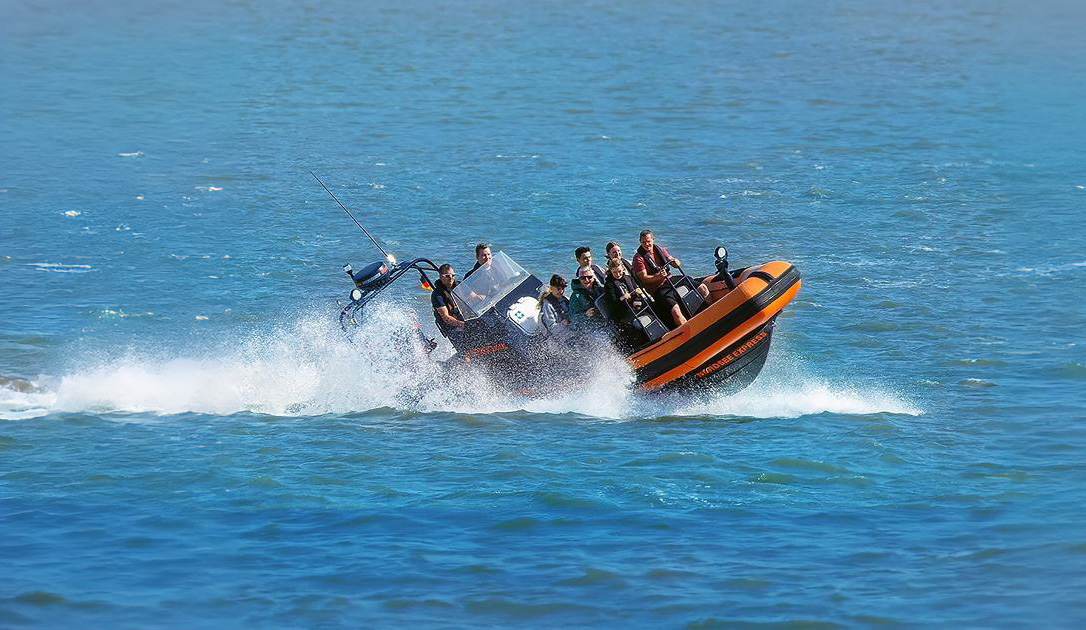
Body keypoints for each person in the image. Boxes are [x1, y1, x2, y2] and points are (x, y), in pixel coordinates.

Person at [631, 229, 707, 327]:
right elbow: (644, 278)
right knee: (675, 310)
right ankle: (689, 331)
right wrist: (657, 276)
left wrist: (676, 262)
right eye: (643, 242)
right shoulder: (638, 258)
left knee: (703, 288)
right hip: (658, 288)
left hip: (670, 279)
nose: (646, 244)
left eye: (648, 241)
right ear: (640, 242)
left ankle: (710, 315)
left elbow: (673, 261)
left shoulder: (660, 250)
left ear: (653, 240)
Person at [431, 263, 466, 345]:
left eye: (453, 275)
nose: (451, 278)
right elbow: (446, 317)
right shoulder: (437, 295)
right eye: (447, 276)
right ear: (440, 277)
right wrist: (463, 325)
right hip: (452, 326)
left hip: (464, 319)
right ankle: (466, 355)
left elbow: (473, 296)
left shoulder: (459, 286)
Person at [569, 264, 607, 335]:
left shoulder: (601, 289)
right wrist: (585, 315)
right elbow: (573, 319)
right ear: (579, 279)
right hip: (590, 330)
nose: (586, 280)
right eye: (583, 278)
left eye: (589, 277)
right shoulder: (575, 296)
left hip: (605, 323)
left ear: (593, 278)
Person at [538, 274, 570, 340]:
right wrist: (563, 325)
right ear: (551, 288)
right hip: (557, 338)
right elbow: (552, 328)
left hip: (569, 332)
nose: (561, 291)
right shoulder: (547, 305)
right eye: (558, 289)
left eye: (563, 288)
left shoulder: (565, 299)